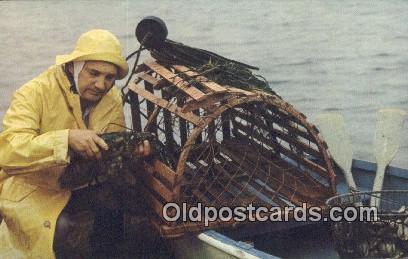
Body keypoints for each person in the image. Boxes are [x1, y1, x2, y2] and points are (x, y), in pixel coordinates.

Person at [0, 29, 150, 258]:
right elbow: (9, 152)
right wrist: (66, 139)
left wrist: (134, 153)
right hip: (32, 188)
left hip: (80, 184)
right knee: (60, 226)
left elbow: (112, 150)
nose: (101, 84)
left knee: (118, 208)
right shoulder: (34, 91)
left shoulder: (112, 98)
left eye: (109, 77)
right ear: (73, 66)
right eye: (94, 73)